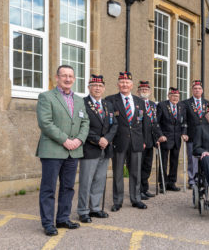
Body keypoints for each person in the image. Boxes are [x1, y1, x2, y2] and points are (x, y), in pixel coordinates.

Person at [36, 65, 89, 236]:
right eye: (64, 75)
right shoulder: (46, 97)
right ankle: (48, 223)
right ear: (56, 77)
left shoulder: (80, 100)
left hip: (73, 151)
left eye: (70, 76)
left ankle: (63, 218)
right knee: (48, 189)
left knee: (68, 187)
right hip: (53, 150)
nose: (67, 79)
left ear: (74, 79)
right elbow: (45, 123)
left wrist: (79, 139)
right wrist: (65, 140)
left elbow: (85, 122)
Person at [77, 75, 118, 223]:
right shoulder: (82, 103)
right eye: (94, 85)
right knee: (86, 181)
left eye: (100, 86)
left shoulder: (108, 104)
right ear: (89, 88)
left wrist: (106, 139)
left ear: (104, 88)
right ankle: (83, 211)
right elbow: (81, 126)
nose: (97, 88)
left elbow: (115, 125)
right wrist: (97, 139)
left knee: (100, 180)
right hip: (90, 149)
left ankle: (95, 208)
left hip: (105, 148)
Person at [105, 72, 148, 210]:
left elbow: (145, 123)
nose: (124, 85)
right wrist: (109, 139)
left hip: (136, 141)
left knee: (135, 172)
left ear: (132, 85)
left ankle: (136, 198)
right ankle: (117, 201)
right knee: (118, 173)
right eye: (122, 82)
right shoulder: (110, 100)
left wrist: (144, 140)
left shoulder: (140, 101)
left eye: (127, 82)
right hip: (118, 141)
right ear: (118, 84)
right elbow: (108, 122)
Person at [137, 81, 166, 200]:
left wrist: (158, 137)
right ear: (138, 91)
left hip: (150, 141)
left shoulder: (153, 105)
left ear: (150, 91)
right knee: (138, 167)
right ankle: (138, 191)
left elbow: (155, 123)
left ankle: (145, 188)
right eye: (142, 89)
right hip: (140, 141)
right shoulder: (136, 103)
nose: (144, 91)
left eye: (146, 89)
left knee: (147, 167)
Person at [156, 87, 188, 192]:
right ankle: (163, 183)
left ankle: (172, 182)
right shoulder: (162, 105)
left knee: (175, 161)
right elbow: (157, 123)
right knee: (164, 162)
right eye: (173, 96)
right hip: (165, 138)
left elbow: (184, 122)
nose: (175, 98)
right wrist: (160, 135)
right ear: (169, 96)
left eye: (177, 96)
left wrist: (184, 133)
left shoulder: (182, 106)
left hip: (177, 138)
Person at [181, 80, 209, 188]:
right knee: (192, 159)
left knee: (204, 158)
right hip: (191, 135)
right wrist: (184, 133)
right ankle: (192, 180)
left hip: (205, 136)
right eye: (195, 88)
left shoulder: (208, 103)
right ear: (192, 90)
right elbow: (183, 120)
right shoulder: (186, 103)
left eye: (199, 88)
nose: (197, 90)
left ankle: (202, 179)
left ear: (202, 90)